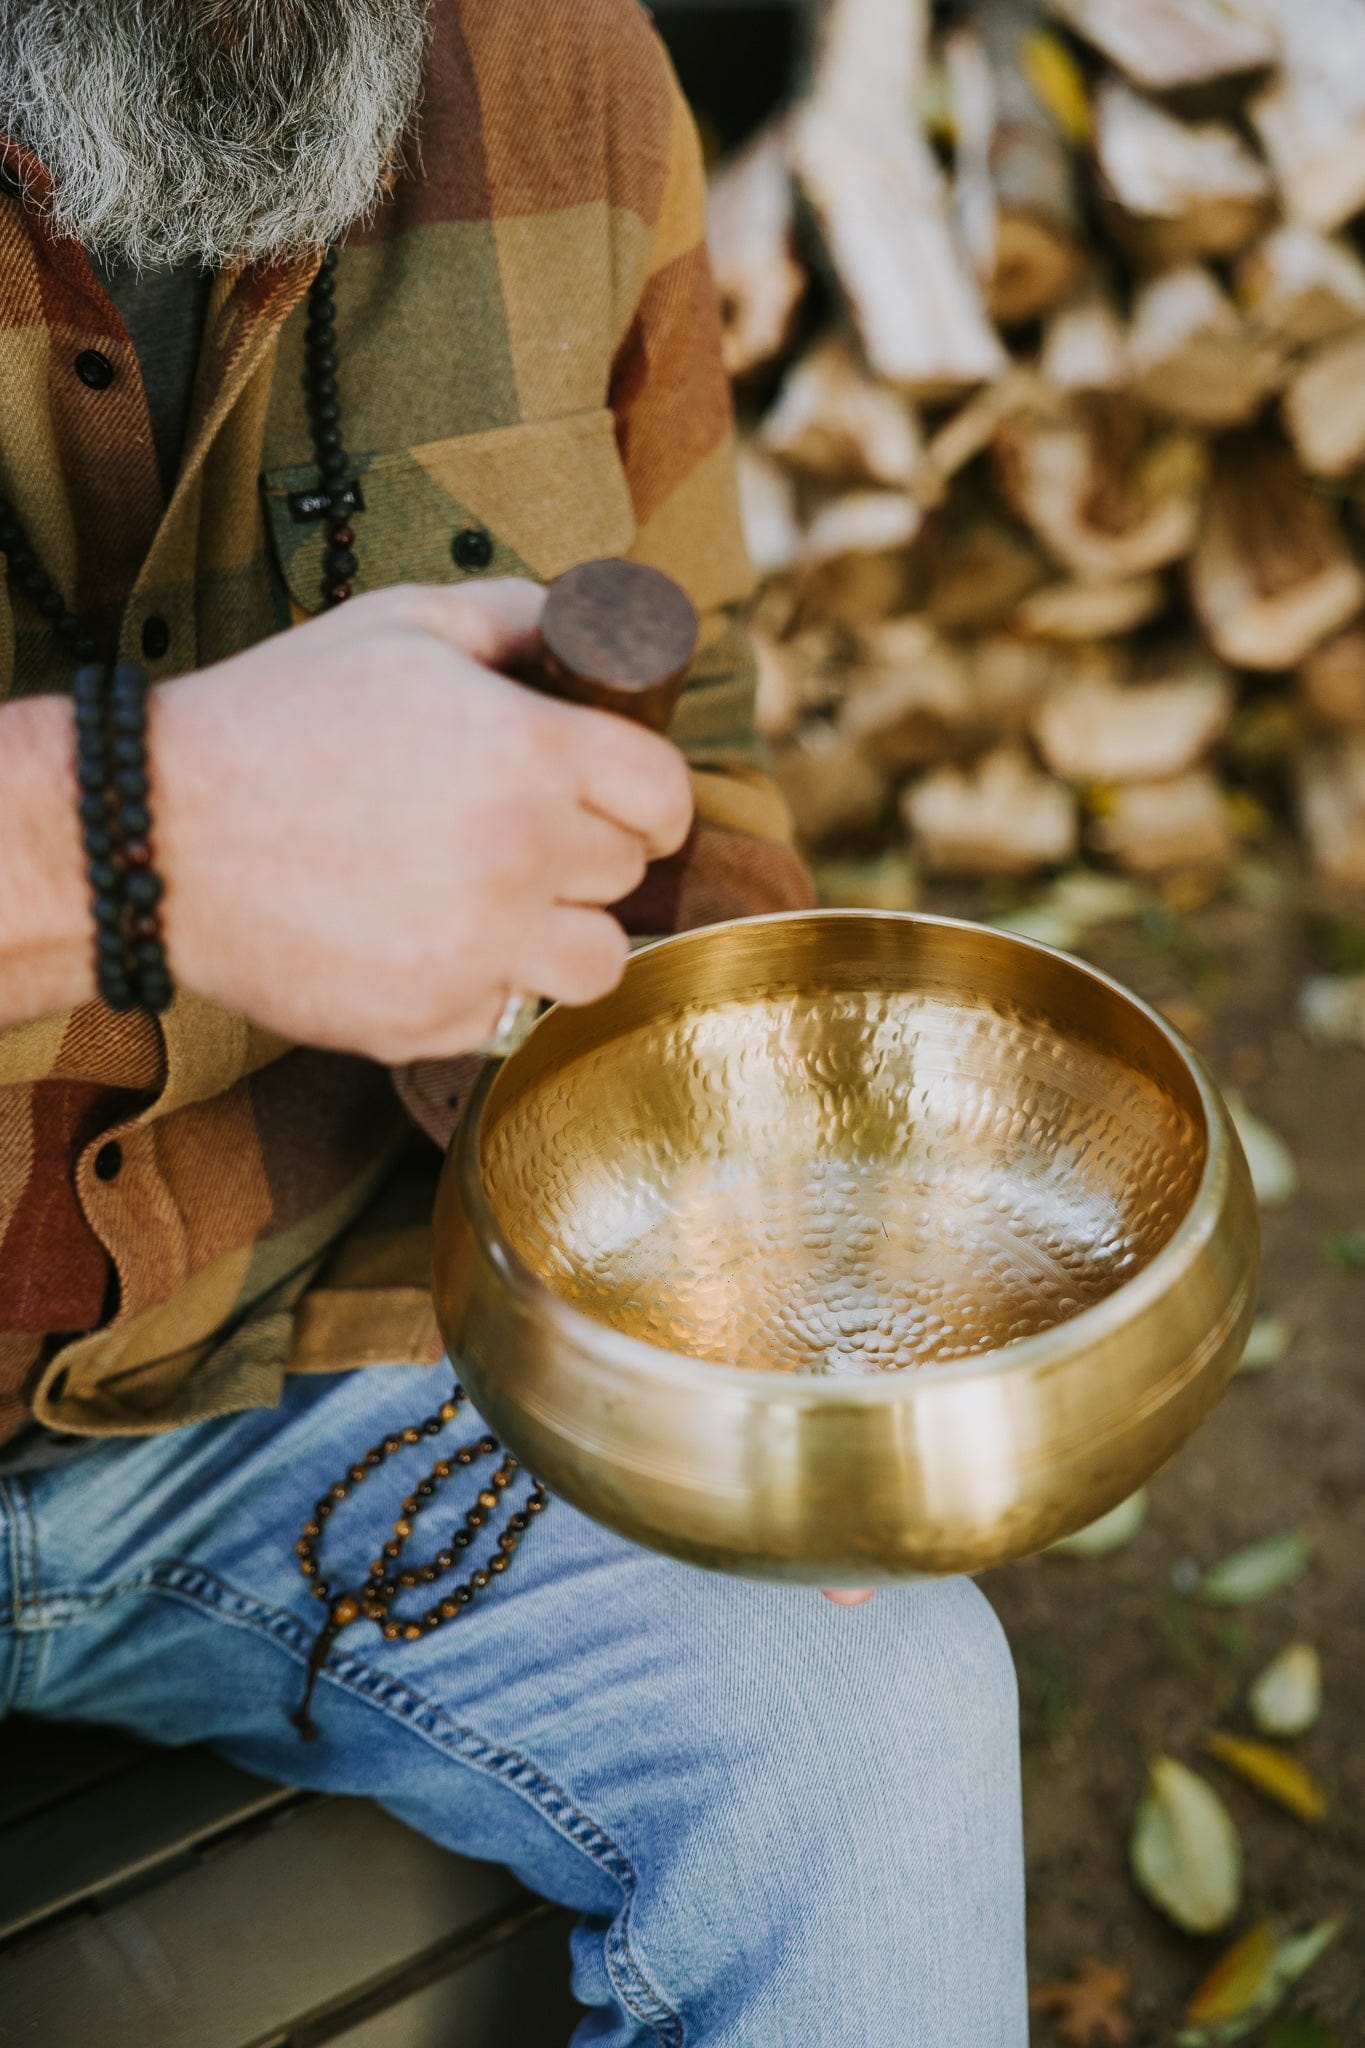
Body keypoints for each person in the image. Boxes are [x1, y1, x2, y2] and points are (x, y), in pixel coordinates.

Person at [0, 1, 1026, 2039]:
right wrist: (114, 835)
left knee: (874, 1709)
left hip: (292, 1363)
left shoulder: (563, 67)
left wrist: (735, 1270)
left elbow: (692, 732)